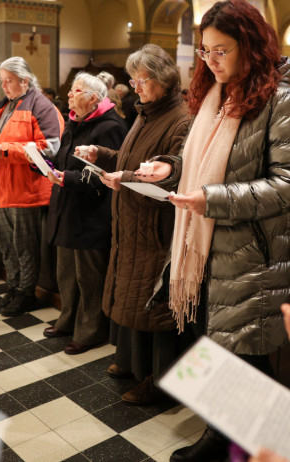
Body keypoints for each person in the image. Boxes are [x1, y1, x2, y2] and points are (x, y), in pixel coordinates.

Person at [138, 0, 290, 462]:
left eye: (222, 50)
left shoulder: (284, 100)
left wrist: (212, 199)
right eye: (205, 50)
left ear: (250, 46)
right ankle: (227, 440)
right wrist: (170, 168)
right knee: (221, 355)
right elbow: (202, 164)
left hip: (254, 255)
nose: (211, 60)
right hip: (211, 250)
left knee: (245, 359)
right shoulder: (218, 96)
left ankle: (272, 446)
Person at [75, 44, 191, 405]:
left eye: (142, 80)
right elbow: (133, 160)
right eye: (133, 79)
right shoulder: (145, 113)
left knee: (153, 308)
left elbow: (173, 175)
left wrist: (124, 177)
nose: (135, 87)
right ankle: (131, 363)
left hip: (156, 225)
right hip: (132, 220)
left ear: (163, 80)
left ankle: (160, 382)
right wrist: (103, 155)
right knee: (131, 298)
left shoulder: (181, 119)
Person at [42, 72, 127, 354]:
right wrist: (43, 163)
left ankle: (91, 331)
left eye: (76, 91)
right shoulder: (74, 122)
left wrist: (66, 178)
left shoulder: (110, 127)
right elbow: (63, 159)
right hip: (67, 209)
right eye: (70, 90)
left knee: (89, 279)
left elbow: (105, 175)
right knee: (67, 274)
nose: (69, 95)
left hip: (92, 214)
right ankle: (67, 320)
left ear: (93, 98)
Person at [0, 57, 63, 315]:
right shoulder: (5, 105)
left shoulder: (41, 106)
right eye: (2, 80)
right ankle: (13, 288)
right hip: (1, 188)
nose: (3, 86)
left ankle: (26, 293)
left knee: (24, 247)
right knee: (6, 245)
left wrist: (5, 150)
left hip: (25, 190)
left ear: (24, 80)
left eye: (8, 81)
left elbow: (50, 147)